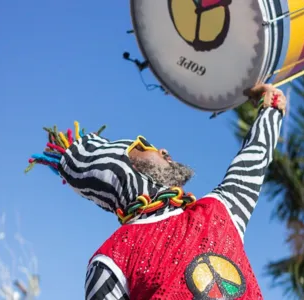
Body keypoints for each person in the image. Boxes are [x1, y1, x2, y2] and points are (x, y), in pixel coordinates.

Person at [26, 84, 287, 299]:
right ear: (121, 166)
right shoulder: (110, 260)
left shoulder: (218, 210)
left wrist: (271, 106)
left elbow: (254, 156)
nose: (162, 150)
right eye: (144, 145)